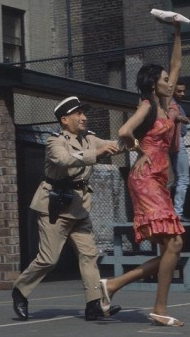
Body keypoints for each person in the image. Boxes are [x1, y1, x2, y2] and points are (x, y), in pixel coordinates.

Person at [99, 20, 186, 327]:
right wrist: (140, 149)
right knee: (174, 243)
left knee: (171, 248)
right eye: (165, 79)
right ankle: (159, 308)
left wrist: (176, 32)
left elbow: (175, 63)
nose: (169, 81)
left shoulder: (165, 102)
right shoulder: (148, 105)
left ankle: (112, 286)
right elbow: (123, 130)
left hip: (159, 179)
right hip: (145, 177)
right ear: (154, 84)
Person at [11, 96, 122, 321]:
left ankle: (93, 305)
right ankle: (20, 290)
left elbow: (114, 145)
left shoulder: (89, 139)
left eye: (84, 113)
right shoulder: (55, 141)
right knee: (48, 259)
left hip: (79, 206)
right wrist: (97, 153)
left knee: (89, 255)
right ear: (64, 119)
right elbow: (64, 160)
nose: (84, 118)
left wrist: (139, 139)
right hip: (55, 205)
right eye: (78, 114)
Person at [168, 82, 190, 222]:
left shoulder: (175, 104)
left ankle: (175, 211)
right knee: (183, 177)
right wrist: (177, 118)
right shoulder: (171, 104)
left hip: (175, 142)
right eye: (179, 91)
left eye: (184, 91)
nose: (182, 94)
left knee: (175, 178)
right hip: (176, 142)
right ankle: (177, 212)